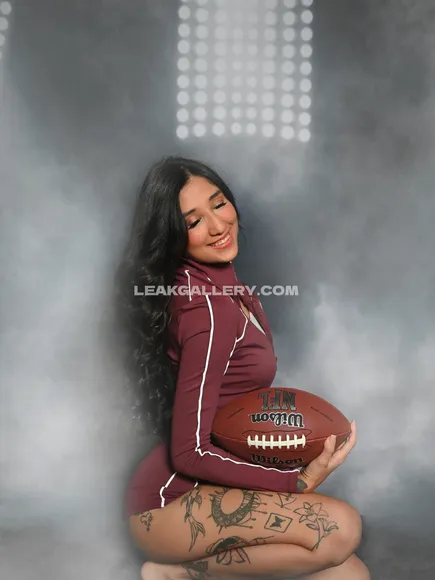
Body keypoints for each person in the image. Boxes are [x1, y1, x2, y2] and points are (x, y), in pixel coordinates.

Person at [116, 156, 370, 580]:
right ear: (173, 234)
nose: (218, 225)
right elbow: (189, 452)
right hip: (167, 504)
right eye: (193, 221)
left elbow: (233, 408)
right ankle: (176, 572)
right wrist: (295, 481)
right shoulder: (207, 309)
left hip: (212, 489)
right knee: (341, 530)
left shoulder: (228, 288)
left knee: (349, 575)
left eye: (219, 203)